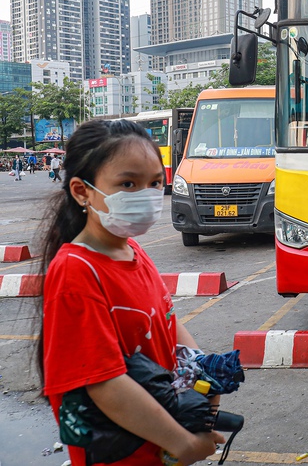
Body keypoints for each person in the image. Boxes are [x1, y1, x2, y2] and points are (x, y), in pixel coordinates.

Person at [36, 119, 224, 466]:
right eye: (128, 184)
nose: (147, 195)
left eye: (154, 183)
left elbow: (169, 322)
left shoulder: (134, 252)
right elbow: (103, 382)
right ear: (82, 191)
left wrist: (206, 374)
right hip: (121, 454)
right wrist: (180, 441)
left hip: (158, 442)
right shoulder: (77, 271)